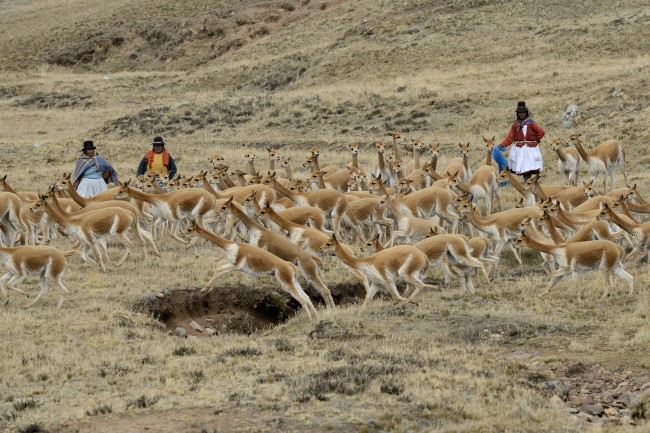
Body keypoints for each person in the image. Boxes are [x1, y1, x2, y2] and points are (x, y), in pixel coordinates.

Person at [498, 101, 545, 181]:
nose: (521, 114)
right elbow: (510, 137)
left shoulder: (531, 123)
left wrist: (535, 140)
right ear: (517, 114)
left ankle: (531, 184)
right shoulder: (515, 125)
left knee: (530, 167)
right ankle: (527, 182)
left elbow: (541, 132)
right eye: (519, 113)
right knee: (524, 169)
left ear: (526, 113)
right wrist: (502, 144)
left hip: (530, 150)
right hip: (520, 150)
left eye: (523, 112)